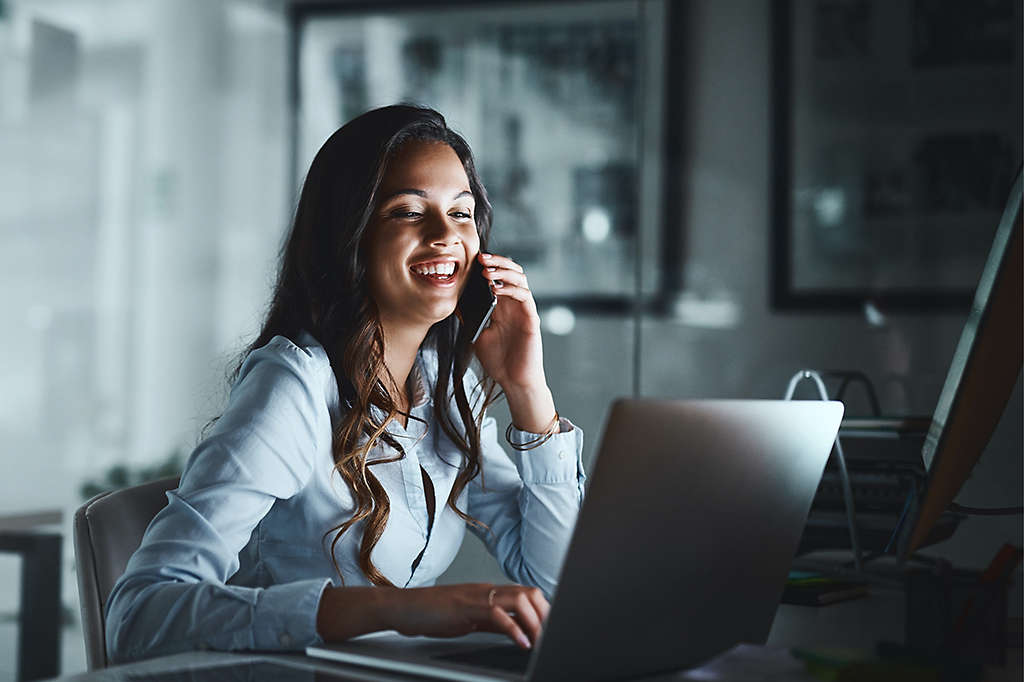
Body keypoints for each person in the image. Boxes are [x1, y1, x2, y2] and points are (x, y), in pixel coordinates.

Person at [104, 105, 585, 663]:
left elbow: (556, 589)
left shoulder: (441, 383)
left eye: (461, 213)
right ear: (351, 233)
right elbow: (139, 615)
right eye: (408, 212)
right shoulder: (293, 388)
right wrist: (397, 611)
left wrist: (529, 392)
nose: (446, 235)